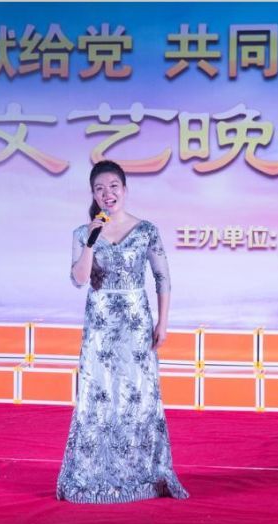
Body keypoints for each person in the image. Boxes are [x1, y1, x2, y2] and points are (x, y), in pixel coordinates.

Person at [56, 160, 189, 504]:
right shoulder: (82, 233)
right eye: (100, 189)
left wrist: (162, 323)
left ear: (125, 190)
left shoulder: (146, 230)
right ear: (93, 194)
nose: (108, 194)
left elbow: (163, 278)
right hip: (99, 326)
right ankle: (94, 471)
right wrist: (91, 240)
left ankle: (142, 472)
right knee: (97, 393)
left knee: (138, 393)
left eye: (113, 186)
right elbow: (79, 279)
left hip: (136, 322)